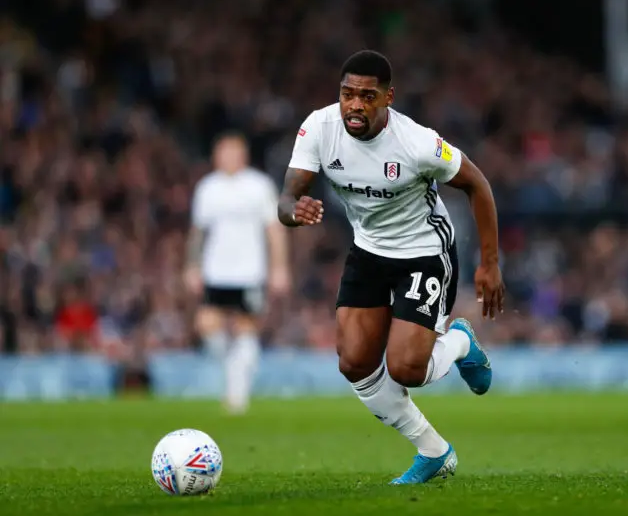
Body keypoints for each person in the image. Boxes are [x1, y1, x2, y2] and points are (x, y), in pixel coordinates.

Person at [277, 50, 505, 483]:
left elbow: (478, 184)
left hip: (424, 253)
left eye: (367, 96)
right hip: (369, 251)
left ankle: (459, 341)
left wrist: (490, 264)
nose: (355, 105)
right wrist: (293, 210)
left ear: (388, 97)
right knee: (354, 362)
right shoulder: (320, 128)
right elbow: (287, 198)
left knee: (406, 370)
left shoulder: (417, 143)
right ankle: (433, 451)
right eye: (347, 94)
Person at [185, 132, 291, 414]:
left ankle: (237, 394)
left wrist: (279, 267)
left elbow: (274, 230)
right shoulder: (207, 187)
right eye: (222, 152)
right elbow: (198, 232)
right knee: (207, 325)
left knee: (246, 328)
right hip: (215, 271)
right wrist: (192, 266)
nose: (227, 158)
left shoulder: (258, 186)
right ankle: (235, 374)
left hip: (249, 272)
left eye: (232, 152)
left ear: (243, 156)